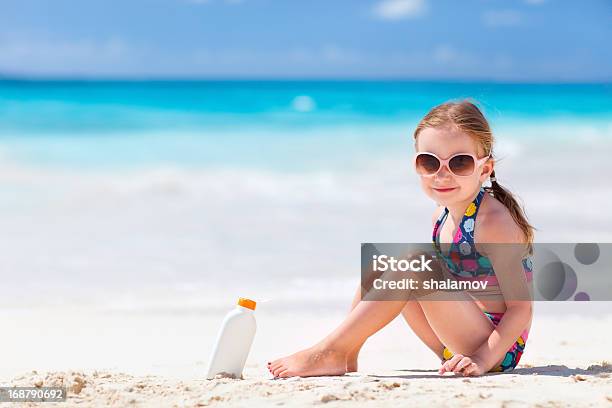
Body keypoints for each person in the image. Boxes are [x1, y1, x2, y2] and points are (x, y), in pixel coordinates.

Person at [268, 100, 534, 378]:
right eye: (429, 162)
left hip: (494, 349)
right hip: (454, 342)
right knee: (382, 262)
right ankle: (347, 352)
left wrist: (481, 359)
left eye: (460, 163)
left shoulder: (494, 222)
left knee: (415, 260)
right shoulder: (441, 216)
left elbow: (521, 309)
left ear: (484, 169)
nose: (442, 174)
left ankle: (330, 350)